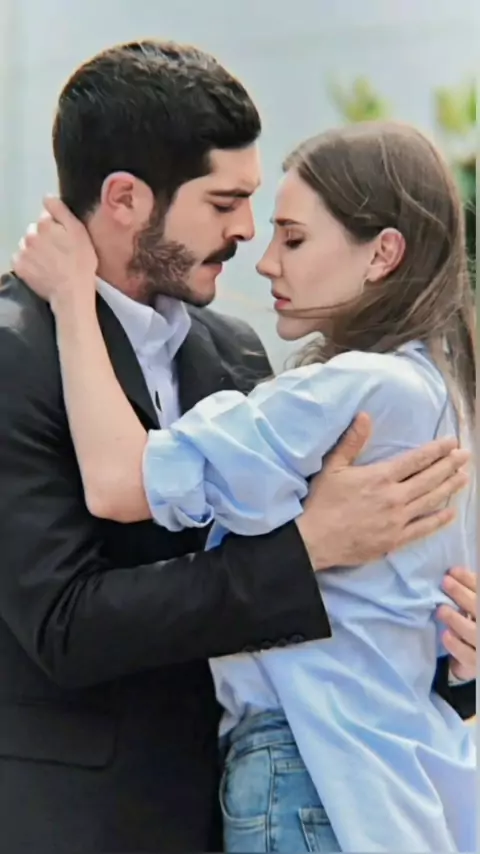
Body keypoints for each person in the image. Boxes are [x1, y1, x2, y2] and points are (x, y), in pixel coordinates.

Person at [3, 41, 475, 853]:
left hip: (262, 800)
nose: (248, 234)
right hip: (83, 824)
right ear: (125, 198)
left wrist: (454, 653)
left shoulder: (238, 352)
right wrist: (307, 547)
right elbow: (64, 624)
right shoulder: (14, 352)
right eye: (225, 202)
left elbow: (337, 601)